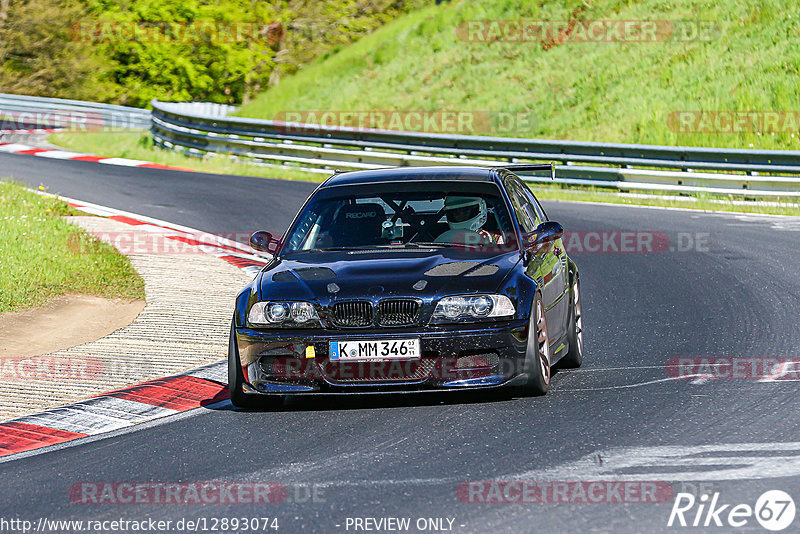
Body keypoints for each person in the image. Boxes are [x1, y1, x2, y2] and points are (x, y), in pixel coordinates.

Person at [435, 196, 504, 245]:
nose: (460, 215)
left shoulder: (496, 239)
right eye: (456, 211)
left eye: (466, 210)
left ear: (481, 208)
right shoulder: (441, 240)